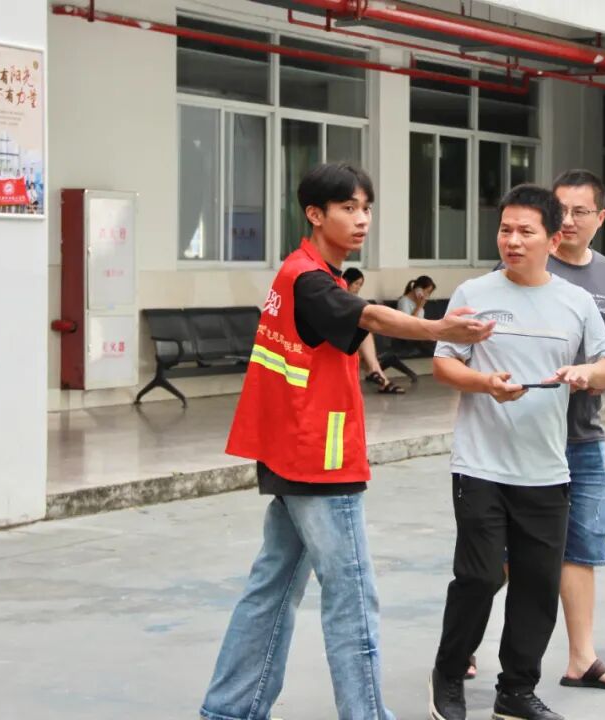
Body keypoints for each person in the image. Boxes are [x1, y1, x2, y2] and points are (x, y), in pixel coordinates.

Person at [200, 162, 494, 720]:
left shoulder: (311, 276)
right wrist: (439, 328)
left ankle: (228, 709)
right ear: (315, 214)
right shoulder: (309, 279)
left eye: (366, 208)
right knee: (353, 597)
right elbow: (373, 318)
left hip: (293, 456)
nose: (362, 220)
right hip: (318, 460)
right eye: (348, 208)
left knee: (271, 589)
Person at [428, 184, 605, 720]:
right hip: (480, 465)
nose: (512, 241)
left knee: (537, 584)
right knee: (481, 576)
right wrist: (484, 383)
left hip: (546, 470)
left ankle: (515, 691)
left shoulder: (576, 303)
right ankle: (448, 673)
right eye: (505, 229)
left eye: (525, 231)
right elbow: (443, 363)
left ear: (553, 239)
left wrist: (587, 373)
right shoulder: (473, 293)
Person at [548, 169, 605, 692]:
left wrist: (598, 372)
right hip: (530, 436)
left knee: (581, 546)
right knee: (507, 555)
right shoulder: (528, 263)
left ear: (600, 218)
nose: (567, 220)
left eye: (579, 212)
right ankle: (463, 645)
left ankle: (581, 659)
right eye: (559, 209)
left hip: (584, 434)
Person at [341, 267, 419, 393]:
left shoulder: (353, 301)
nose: (358, 288)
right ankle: (377, 374)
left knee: (364, 336)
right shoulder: (337, 298)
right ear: (346, 281)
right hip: (335, 340)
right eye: (356, 284)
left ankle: (378, 375)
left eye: (360, 285)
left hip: (347, 340)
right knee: (364, 333)